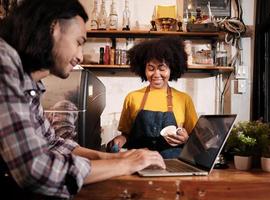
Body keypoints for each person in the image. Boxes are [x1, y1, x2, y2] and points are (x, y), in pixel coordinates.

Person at [0, 0, 165, 199]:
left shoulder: (26, 80)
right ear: (52, 27)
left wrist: (106, 157)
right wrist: (125, 163)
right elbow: (36, 170)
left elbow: (51, 142)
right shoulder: (3, 63)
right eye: (79, 42)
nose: (80, 56)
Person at [107, 37, 198, 159]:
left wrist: (186, 140)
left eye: (162, 68)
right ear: (143, 69)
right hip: (137, 162)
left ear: (172, 69)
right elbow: (126, 135)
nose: (156, 74)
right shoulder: (132, 97)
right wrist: (120, 140)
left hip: (172, 164)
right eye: (151, 68)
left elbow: (196, 142)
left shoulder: (184, 99)